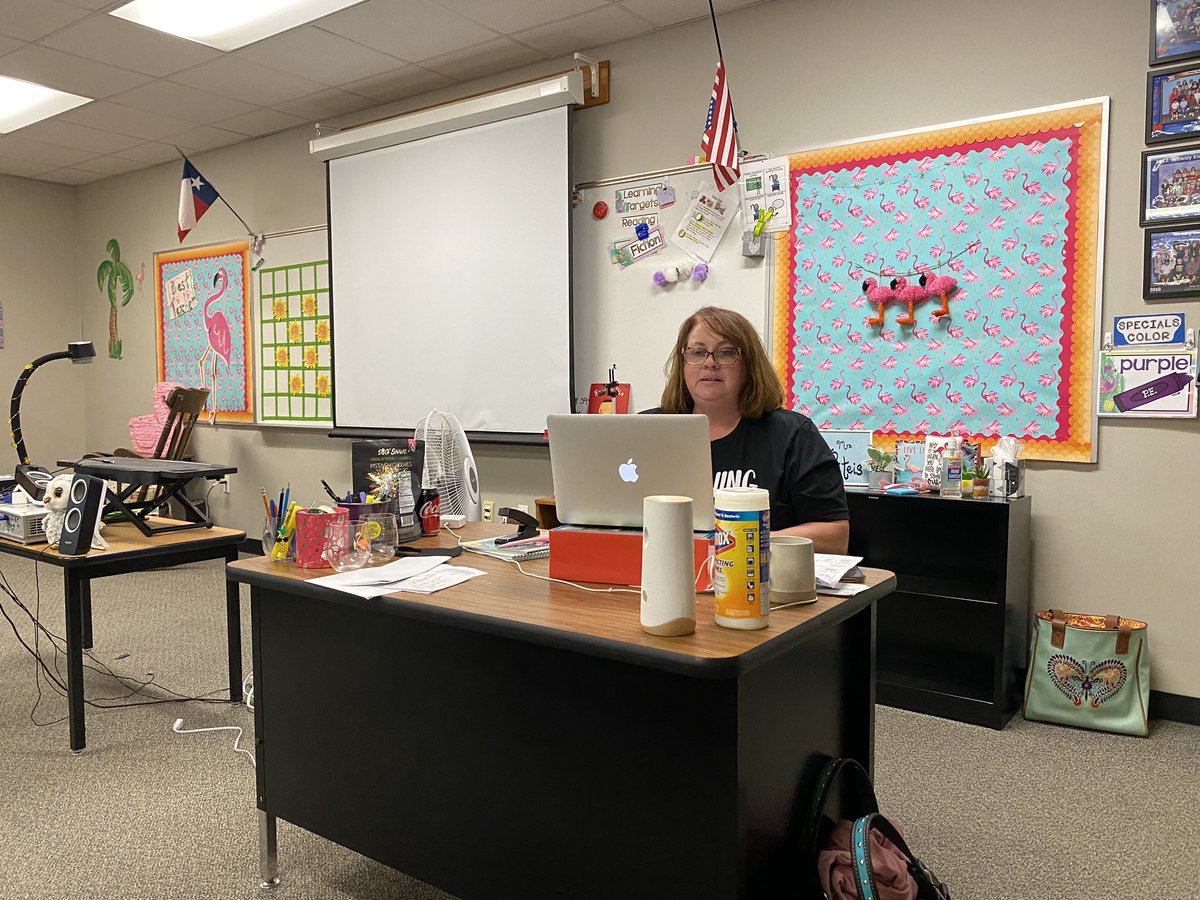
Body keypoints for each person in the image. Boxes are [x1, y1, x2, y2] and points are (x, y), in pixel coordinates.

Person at [651, 305, 849, 554]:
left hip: (759, 580)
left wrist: (741, 541)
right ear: (683, 362)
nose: (710, 363)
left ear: (749, 366)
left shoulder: (792, 434)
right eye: (698, 352)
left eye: (725, 353)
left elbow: (836, 537)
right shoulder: (649, 431)